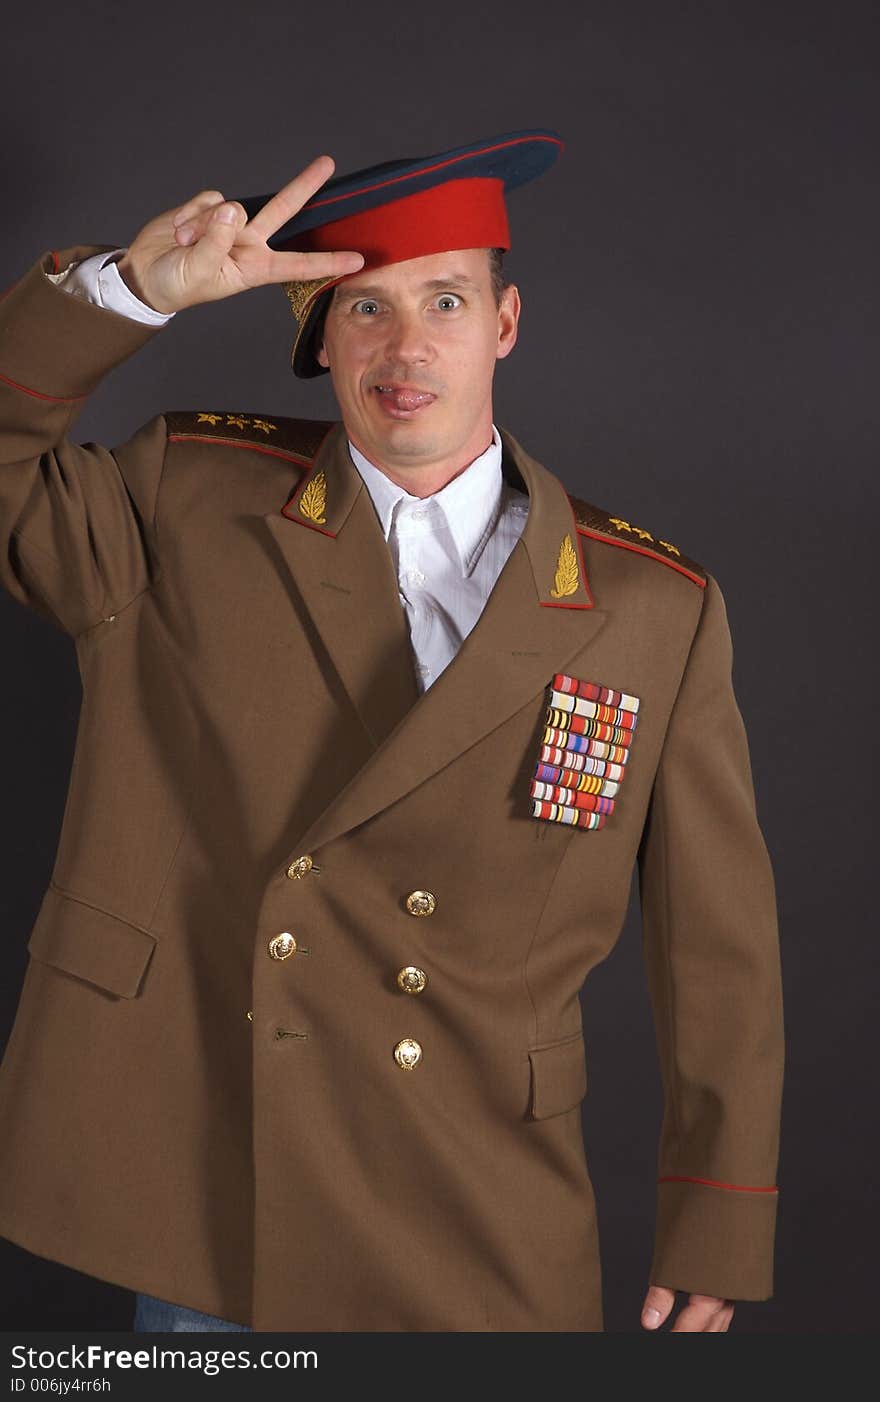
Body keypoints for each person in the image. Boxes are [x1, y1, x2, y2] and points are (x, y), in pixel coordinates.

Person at [0, 131, 784, 1334]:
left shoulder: (650, 608)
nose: (406, 346)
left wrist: (717, 1210)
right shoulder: (186, 499)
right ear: (318, 344)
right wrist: (131, 293)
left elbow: (717, 950)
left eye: (446, 301)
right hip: (217, 1173)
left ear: (505, 323)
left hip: (472, 1195)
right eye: (362, 308)